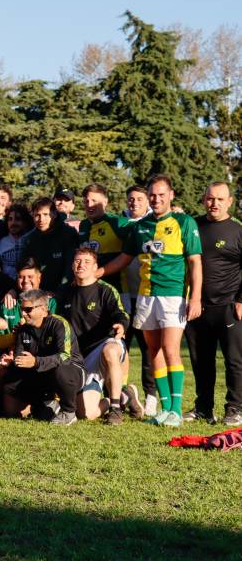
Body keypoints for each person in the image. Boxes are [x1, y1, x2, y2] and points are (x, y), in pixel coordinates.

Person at [100, 174, 203, 427]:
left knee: (170, 350)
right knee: (154, 352)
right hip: (146, 296)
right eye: (153, 195)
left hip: (172, 295)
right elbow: (124, 259)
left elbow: (195, 262)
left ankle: (176, 411)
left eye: (160, 194)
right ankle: (165, 409)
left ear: (171, 195)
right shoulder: (140, 227)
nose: (156, 199)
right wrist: (98, 272)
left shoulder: (184, 222)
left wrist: (196, 297)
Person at [184, 182, 242, 426]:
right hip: (198, 307)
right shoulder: (193, 226)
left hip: (229, 306)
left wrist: (240, 300)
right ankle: (203, 408)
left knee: (234, 361)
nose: (214, 203)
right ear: (203, 199)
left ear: (230, 202)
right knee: (201, 361)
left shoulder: (238, 230)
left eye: (220, 199)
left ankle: (235, 408)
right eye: (210, 198)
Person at [56, 248, 135, 424]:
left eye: (86, 262)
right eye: (77, 261)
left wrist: (121, 325)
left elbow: (121, 314)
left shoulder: (105, 290)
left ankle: (115, 410)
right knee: (87, 413)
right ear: (72, 265)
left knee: (111, 349)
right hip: (79, 357)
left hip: (102, 347)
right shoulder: (64, 292)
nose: (81, 265)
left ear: (95, 267)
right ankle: (124, 397)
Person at [2, 289, 85, 425]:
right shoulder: (23, 329)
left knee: (60, 370)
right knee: (10, 379)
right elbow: (20, 358)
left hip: (71, 372)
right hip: (41, 374)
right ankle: (44, 403)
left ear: (43, 309)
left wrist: (35, 361)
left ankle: (68, 412)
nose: (23, 313)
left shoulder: (59, 324)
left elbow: (65, 356)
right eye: (21, 309)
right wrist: (12, 362)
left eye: (28, 309)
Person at [122, 184, 157, 415]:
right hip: (124, 296)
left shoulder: (156, 223)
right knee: (121, 347)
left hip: (148, 295)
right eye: (131, 199)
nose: (134, 203)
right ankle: (121, 394)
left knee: (149, 349)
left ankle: (151, 396)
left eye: (139, 199)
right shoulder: (118, 223)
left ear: (147, 202)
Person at [19, 197, 78, 292]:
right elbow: (25, 269)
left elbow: (70, 268)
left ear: (54, 214)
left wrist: (60, 292)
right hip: (37, 291)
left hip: (64, 291)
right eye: (37, 215)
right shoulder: (28, 239)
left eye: (46, 214)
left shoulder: (68, 234)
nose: (41, 219)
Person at [0, 204, 32, 279]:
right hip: (7, 285)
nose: (13, 223)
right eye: (10, 219)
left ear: (25, 222)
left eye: (18, 219)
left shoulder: (32, 239)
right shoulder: (2, 242)